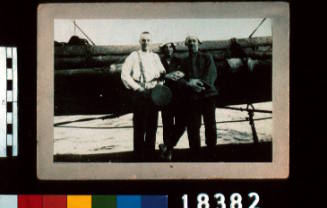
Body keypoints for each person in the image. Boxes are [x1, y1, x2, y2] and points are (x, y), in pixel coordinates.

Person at [121, 31, 166, 160]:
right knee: (140, 127)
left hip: (153, 94)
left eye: (148, 40)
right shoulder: (134, 56)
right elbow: (124, 75)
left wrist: (158, 85)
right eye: (143, 40)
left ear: (151, 42)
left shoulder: (155, 57)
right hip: (140, 94)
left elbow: (163, 73)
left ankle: (150, 155)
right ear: (139, 42)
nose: (145, 43)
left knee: (152, 126)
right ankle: (138, 156)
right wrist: (137, 87)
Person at [181, 35, 218, 158]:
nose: (192, 43)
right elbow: (181, 78)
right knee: (193, 126)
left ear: (198, 43)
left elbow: (211, 75)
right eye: (189, 42)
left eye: (194, 41)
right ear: (187, 45)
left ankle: (211, 150)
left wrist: (199, 85)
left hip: (207, 96)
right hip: (192, 98)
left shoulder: (207, 57)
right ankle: (195, 152)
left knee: (210, 124)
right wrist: (188, 84)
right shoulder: (184, 61)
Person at [158, 42, 188, 161]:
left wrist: (167, 76)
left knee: (182, 123)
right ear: (163, 50)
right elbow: (158, 76)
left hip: (179, 97)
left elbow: (182, 74)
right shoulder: (158, 61)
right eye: (166, 47)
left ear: (174, 49)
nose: (169, 49)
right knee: (167, 125)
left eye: (171, 47)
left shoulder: (179, 61)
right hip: (165, 96)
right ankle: (169, 152)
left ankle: (167, 146)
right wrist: (171, 76)